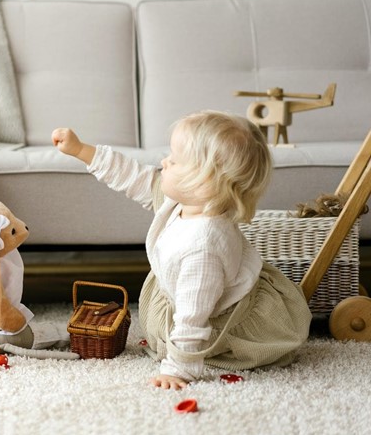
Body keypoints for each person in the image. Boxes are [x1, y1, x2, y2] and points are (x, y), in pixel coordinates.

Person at [52, 111, 312, 390]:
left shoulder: (204, 246)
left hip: (212, 313)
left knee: (192, 316)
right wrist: (81, 150)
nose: (164, 162)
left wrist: (179, 368)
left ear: (204, 180)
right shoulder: (187, 201)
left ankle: (202, 355)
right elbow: (134, 177)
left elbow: (192, 316)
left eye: (173, 161)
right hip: (189, 292)